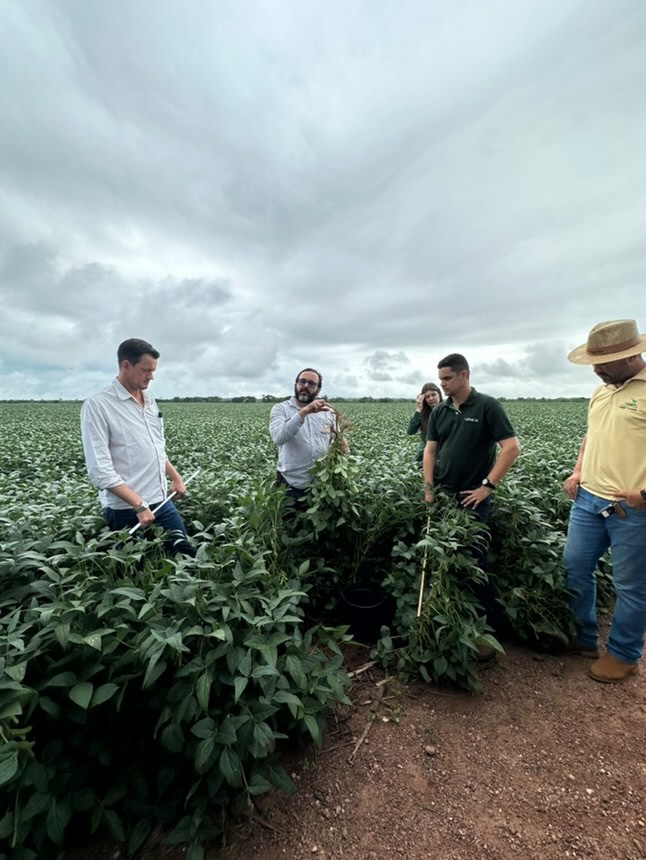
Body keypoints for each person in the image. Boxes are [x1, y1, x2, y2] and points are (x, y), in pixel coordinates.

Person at [562, 319, 646, 684]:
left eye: (603, 363)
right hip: (588, 500)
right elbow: (591, 435)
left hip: (633, 508)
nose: (595, 370)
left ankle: (624, 654)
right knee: (574, 568)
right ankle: (583, 637)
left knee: (631, 585)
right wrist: (579, 470)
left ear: (630, 357)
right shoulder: (602, 391)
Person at [423, 353, 520, 659]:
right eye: (440, 380)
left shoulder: (487, 406)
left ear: (464, 376)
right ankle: (453, 620)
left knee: (473, 561)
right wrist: (429, 489)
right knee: (443, 559)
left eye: (447, 379)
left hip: (471, 499)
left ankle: (487, 631)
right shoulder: (440, 411)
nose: (443, 384)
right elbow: (430, 451)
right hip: (443, 495)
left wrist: (486, 487)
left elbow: (511, 448)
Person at [81, 337, 193, 554]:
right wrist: (138, 504)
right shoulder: (98, 406)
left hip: (161, 501)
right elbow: (100, 471)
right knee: (135, 571)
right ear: (125, 365)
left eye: (153, 371)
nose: (151, 377)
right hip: (125, 508)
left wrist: (176, 478)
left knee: (186, 555)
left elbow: (155, 449)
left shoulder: (150, 402)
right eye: (145, 370)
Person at [269, 368, 336, 500]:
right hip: (291, 485)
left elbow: (333, 438)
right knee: (289, 520)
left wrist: (341, 442)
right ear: (295, 384)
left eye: (312, 384)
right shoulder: (281, 409)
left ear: (318, 389)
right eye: (302, 381)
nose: (305, 386)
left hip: (321, 485)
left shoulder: (328, 412)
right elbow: (278, 437)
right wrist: (304, 412)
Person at [406, 382, 443, 463]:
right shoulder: (422, 413)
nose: (431, 398)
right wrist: (418, 409)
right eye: (427, 397)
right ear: (424, 399)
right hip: (424, 454)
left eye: (433, 395)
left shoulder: (448, 411)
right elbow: (410, 431)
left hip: (443, 453)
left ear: (439, 394)